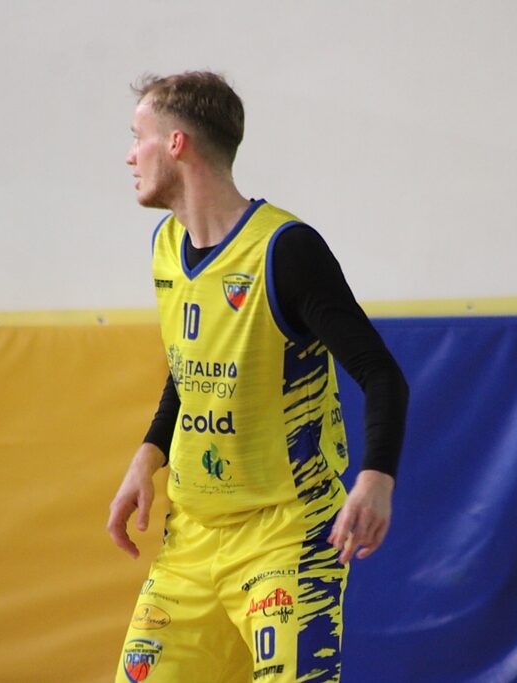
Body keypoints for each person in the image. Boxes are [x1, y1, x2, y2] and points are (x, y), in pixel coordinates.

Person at [106, 71, 408, 683]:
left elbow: (381, 374)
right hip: (192, 538)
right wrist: (149, 454)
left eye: (138, 136)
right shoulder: (165, 245)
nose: (129, 155)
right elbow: (189, 369)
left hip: (285, 537)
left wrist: (376, 478)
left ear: (177, 143)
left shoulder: (285, 250)